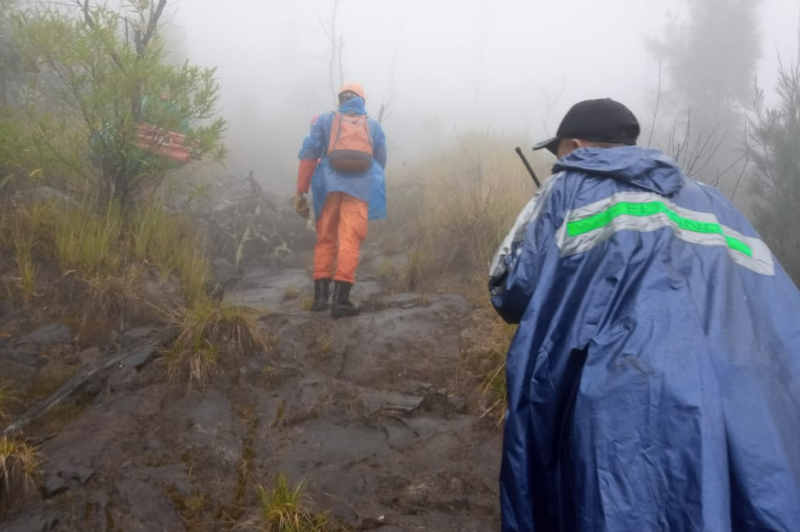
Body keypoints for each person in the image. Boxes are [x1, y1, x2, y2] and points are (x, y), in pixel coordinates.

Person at [489, 98, 800, 531]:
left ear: (575, 146)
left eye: (557, 153)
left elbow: (509, 290)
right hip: (728, 391)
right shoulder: (712, 201)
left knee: (616, 507)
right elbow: (774, 302)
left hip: (614, 392)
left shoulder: (566, 189)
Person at [295, 83, 387, 318]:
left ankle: (320, 299)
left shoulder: (325, 121)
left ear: (341, 100)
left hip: (327, 188)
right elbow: (380, 162)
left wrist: (301, 190)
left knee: (325, 239)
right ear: (361, 101)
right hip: (359, 190)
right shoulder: (373, 126)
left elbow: (308, 154)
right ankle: (341, 301)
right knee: (350, 241)